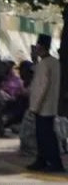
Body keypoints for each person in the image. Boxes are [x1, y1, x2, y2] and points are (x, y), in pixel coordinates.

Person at [26, 34, 64, 172]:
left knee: (45, 136)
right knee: (46, 134)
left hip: (42, 106)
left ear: (40, 47)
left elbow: (41, 87)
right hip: (51, 104)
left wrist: (34, 107)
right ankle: (42, 160)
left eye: (37, 47)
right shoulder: (54, 62)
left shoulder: (44, 64)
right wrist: (34, 60)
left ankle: (54, 162)